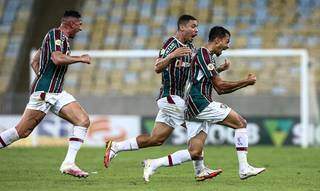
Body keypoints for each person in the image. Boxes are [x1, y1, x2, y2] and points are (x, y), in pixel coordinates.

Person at [104, 15, 228, 181]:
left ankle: (116, 146)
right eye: (193, 26)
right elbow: (157, 67)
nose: (196, 30)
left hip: (178, 99)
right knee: (198, 121)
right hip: (170, 97)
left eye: (197, 27)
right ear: (182, 27)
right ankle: (199, 170)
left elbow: (197, 73)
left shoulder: (191, 46)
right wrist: (172, 56)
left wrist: (218, 69)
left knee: (156, 139)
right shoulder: (171, 44)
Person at [142, 26, 266, 182]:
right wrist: (245, 82)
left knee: (194, 151)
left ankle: (153, 163)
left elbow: (201, 79)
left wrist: (220, 70)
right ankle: (244, 168)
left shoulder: (206, 56)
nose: (228, 45)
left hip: (193, 106)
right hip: (200, 103)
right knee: (241, 123)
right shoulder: (203, 53)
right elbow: (220, 88)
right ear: (217, 40)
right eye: (227, 42)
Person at [0, 10, 91, 178]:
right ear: (70, 24)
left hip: (55, 92)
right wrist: (80, 58)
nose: (80, 29)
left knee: (83, 120)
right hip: (46, 93)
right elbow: (56, 59)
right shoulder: (56, 34)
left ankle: (69, 163)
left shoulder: (59, 40)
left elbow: (35, 60)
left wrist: (43, 76)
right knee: (22, 132)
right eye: (79, 25)